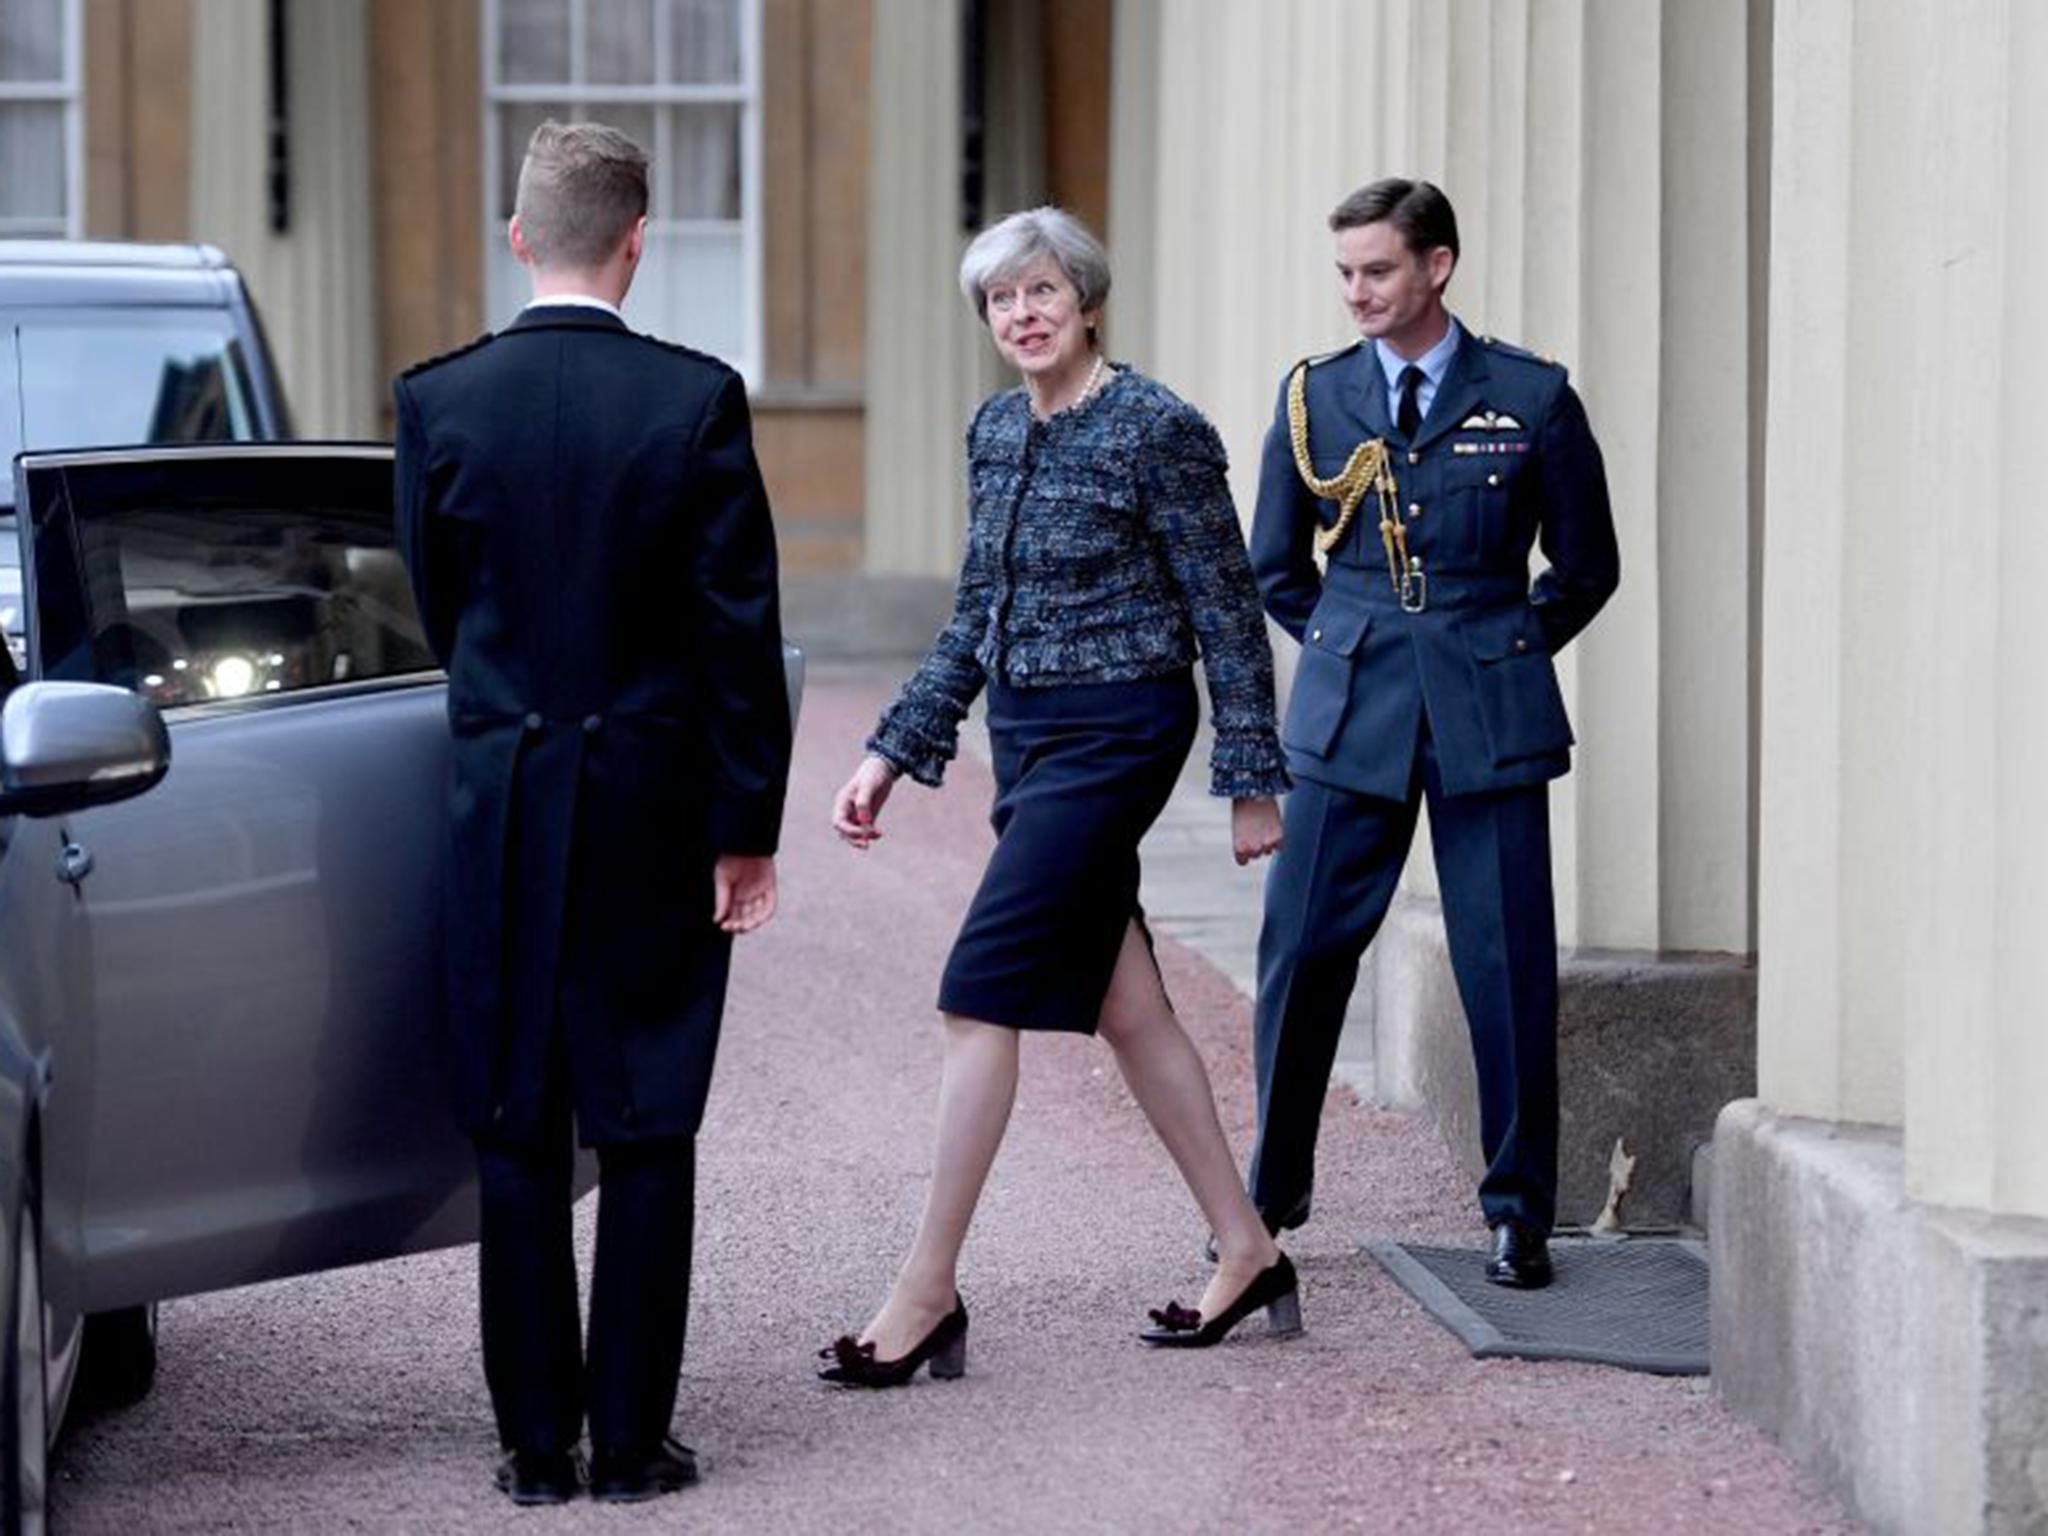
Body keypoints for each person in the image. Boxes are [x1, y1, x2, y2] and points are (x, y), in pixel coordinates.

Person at [822, 206, 1298, 1385]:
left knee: (976, 993)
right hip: (1028, 737)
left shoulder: (1156, 429)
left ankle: (925, 1291)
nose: (1022, 314)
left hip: (1120, 730)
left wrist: (1250, 779)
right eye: (1001, 299)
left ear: (1085, 301)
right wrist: (890, 752)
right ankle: (1246, 1248)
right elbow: (974, 614)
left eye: (1041, 291)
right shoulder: (994, 430)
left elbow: (1225, 608)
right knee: (1127, 1006)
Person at [395, 120, 790, 1503]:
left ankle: (531, 1449)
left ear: (519, 237)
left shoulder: (439, 401)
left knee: (514, 1119)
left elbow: (442, 610)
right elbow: (738, 636)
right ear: (637, 241)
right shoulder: (696, 400)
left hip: (504, 797)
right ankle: (628, 1444)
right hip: (652, 802)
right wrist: (747, 828)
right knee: (646, 1117)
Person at [1244, 178, 1619, 1289]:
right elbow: (1276, 566)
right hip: (1350, 711)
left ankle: (1518, 1213)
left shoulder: (1530, 396)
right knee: (1300, 951)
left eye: (1378, 270)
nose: (1357, 293)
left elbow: (1585, 566)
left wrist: (1500, 648)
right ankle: (1265, 1199)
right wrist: (1350, 645)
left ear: (1436, 266)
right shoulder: (1315, 396)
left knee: (1505, 963)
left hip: (1484, 713)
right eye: (1346, 274)